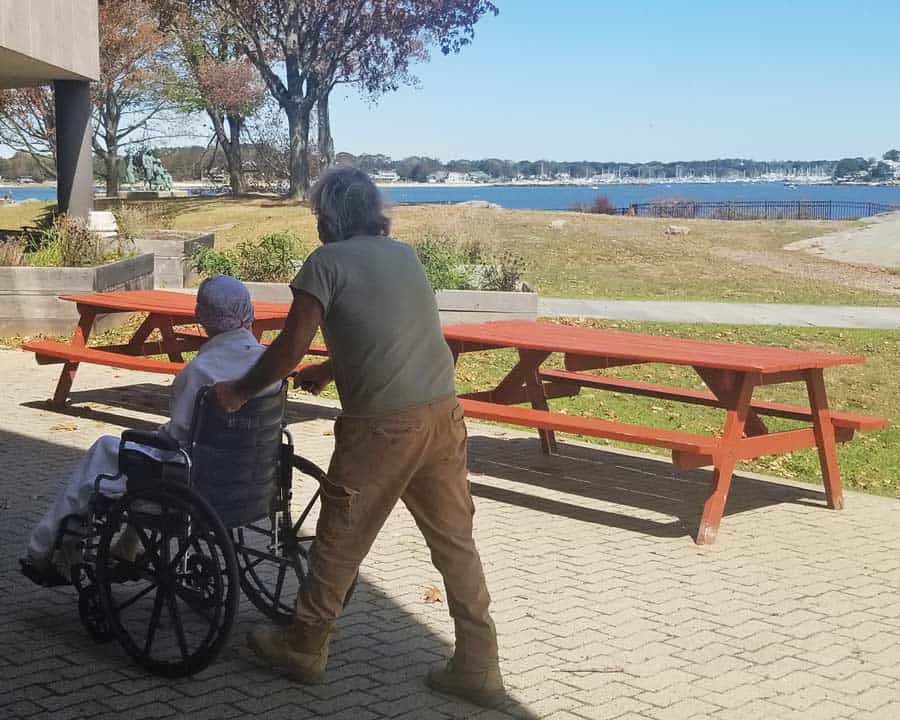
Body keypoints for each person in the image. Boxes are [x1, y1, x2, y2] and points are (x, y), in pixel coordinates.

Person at [214, 167, 504, 708]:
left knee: (339, 536)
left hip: (383, 428)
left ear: (330, 216)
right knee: (454, 542)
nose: (317, 222)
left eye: (318, 213)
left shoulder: (325, 263)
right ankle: (478, 662)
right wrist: (331, 370)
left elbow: (286, 350)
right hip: (442, 413)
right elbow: (393, 333)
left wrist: (237, 390)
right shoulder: (405, 255)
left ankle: (303, 645)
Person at [23, 275, 274, 582]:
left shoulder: (201, 372)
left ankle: (42, 549)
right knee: (143, 455)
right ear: (248, 311)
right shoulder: (268, 365)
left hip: (194, 477)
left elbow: (177, 439)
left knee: (107, 449)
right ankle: (128, 545)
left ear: (201, 317)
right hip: (249, 473)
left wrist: (157, 438)